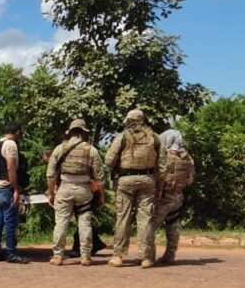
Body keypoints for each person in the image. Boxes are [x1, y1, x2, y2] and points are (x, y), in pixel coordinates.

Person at [105, 109, 167, 269]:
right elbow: (162, 165)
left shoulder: (122, 137)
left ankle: (118, 256)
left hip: (125, 181)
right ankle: (146, 257)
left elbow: (109, 160)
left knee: (123, 218)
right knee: (145, 219)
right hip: (148, 181)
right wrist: (159, 185)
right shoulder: (155, 138)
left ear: (128, 121)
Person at [46, 118, 105, 267]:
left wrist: (52, 193)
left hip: (65, 189)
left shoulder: (60, 148)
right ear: (83, 133)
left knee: (61, 223)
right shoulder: (91, 150)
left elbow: (50, 174)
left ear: (70, 132)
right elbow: (100, 177)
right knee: (84, 223)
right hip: (84, 190)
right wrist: (102, 196)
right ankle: (85, 256)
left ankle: (58, 256)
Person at [41, 148, 108, 259]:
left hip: (85, 191)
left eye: (47, 162)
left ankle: (74, 249)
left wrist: (51, 194)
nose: (47, 165)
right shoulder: (68, 160)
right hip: (86, 191)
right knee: (83, 221)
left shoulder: (61, 162)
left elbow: (56, 180)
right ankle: (90, 247)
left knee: (74, 221)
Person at [152, 129, 195, 264]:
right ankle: (170, 256)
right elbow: (190, 180)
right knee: (173, 226)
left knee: (149, 226)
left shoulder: (164, 156)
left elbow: (157, 176)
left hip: (163, 197)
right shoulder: (187, 158)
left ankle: (148, 256)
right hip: (178, 196)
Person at [0, 122, 30, 264]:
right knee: (10, 221)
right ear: (17, 132)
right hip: (6, 188)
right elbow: (10, 167)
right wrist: (16, 189)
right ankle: (11, 253)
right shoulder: (11, 144)